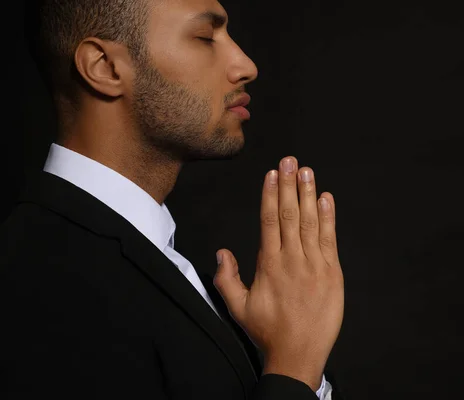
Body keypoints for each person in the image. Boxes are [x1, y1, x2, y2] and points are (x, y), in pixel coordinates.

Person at [2, 0, 345, 399]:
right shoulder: (40, 286)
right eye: (205, 37)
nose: (245, 64)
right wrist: (293, 367)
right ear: (105, 67)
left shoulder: (162, 264)